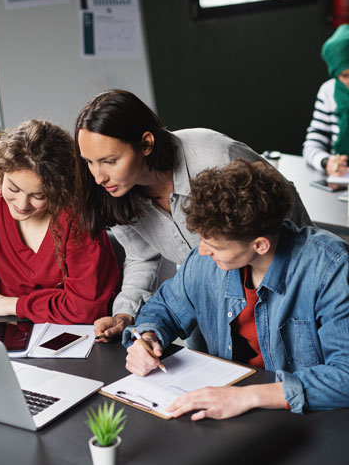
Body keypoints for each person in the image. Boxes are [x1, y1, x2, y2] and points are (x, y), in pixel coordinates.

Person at [75, 89, 311, 344]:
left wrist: (308, 287)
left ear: (146, 144)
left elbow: (286, 212)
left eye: (109, 161)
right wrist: (124, 314)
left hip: (279, 286)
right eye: (89, 162)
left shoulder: (217, 156)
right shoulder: (113, 194)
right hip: (206, 300)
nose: (98, 177)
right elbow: (141, 257)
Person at [124, 159, 349, 419]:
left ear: (260, 245)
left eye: (216, 247)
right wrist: (148, 338)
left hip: (305, 415)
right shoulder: (203, 261)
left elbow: (344, 375)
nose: (202, 251)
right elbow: (164, 309)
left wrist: (247, 396)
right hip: (226, 404)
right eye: (203, 240)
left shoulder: (331, 268)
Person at [0, 119, 118, 337]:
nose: (22, 204)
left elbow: (85, 307)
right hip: (10, 336)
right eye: (13, 188)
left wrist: (13, 305)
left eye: (39, 196)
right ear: (0, 173)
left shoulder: (77, 218)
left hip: (80, 336)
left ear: (61, 189)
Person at [303, 23, 349, 176]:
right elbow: (312, 145)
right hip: (342, 180)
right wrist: (327, 162)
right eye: (345, 76)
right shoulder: (328, 92)